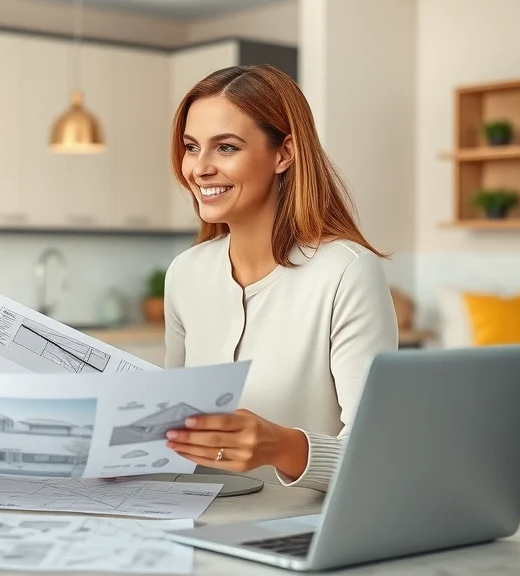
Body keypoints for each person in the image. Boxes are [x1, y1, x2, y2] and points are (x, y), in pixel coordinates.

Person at [161, 64, 398, 493]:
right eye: (192, 147)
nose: (199, 168)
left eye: (226, 148)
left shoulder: (346, 271)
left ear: (283, 153)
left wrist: (282, 447)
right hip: (195, 527)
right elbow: (176, 436)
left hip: (301, 534)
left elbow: (380, 458)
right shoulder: (185, 274)